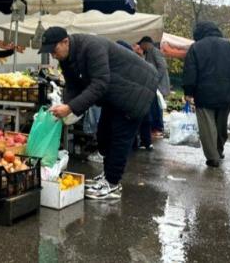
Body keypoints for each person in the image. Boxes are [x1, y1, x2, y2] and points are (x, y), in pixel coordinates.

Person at [41, 27, 158, 200]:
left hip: (136, 91)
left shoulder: (91, 47)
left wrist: (71, 108)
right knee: (103, 135)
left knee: (119, 138)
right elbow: (73, 86)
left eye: (54, 50)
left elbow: (100, 83)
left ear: (65, 42)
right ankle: (106, 176)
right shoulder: (67, 57)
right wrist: (65, 106)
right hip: (115, 94)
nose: (53, 55)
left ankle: (112, 184)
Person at [182, 21, 230, 167]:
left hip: (204, 95)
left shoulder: (195, 48)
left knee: (207, 128)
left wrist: (188, 92)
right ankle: (218, 151)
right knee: (221, 126)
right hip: (226, 95)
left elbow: (190, 71)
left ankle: (213, 157)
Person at [137, 36, 170, 137]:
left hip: (158, 85)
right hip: (154, 85)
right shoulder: (148, 53)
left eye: (141, 44)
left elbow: (162, 66)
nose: (140, 47)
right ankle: (155, 128)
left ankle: (157, 128)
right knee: (154, 106)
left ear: (146, 43)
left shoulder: (154, 51)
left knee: (157, 106)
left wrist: (155, 79)